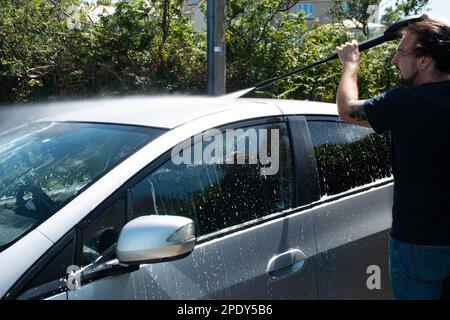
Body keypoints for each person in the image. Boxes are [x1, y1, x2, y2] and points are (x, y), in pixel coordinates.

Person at [335, 15, 450, 300]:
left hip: (418, 244)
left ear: (424, 61)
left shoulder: (406, 103)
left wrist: (351, 64)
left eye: (401, 53)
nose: (395, 62)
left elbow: (348, 109)